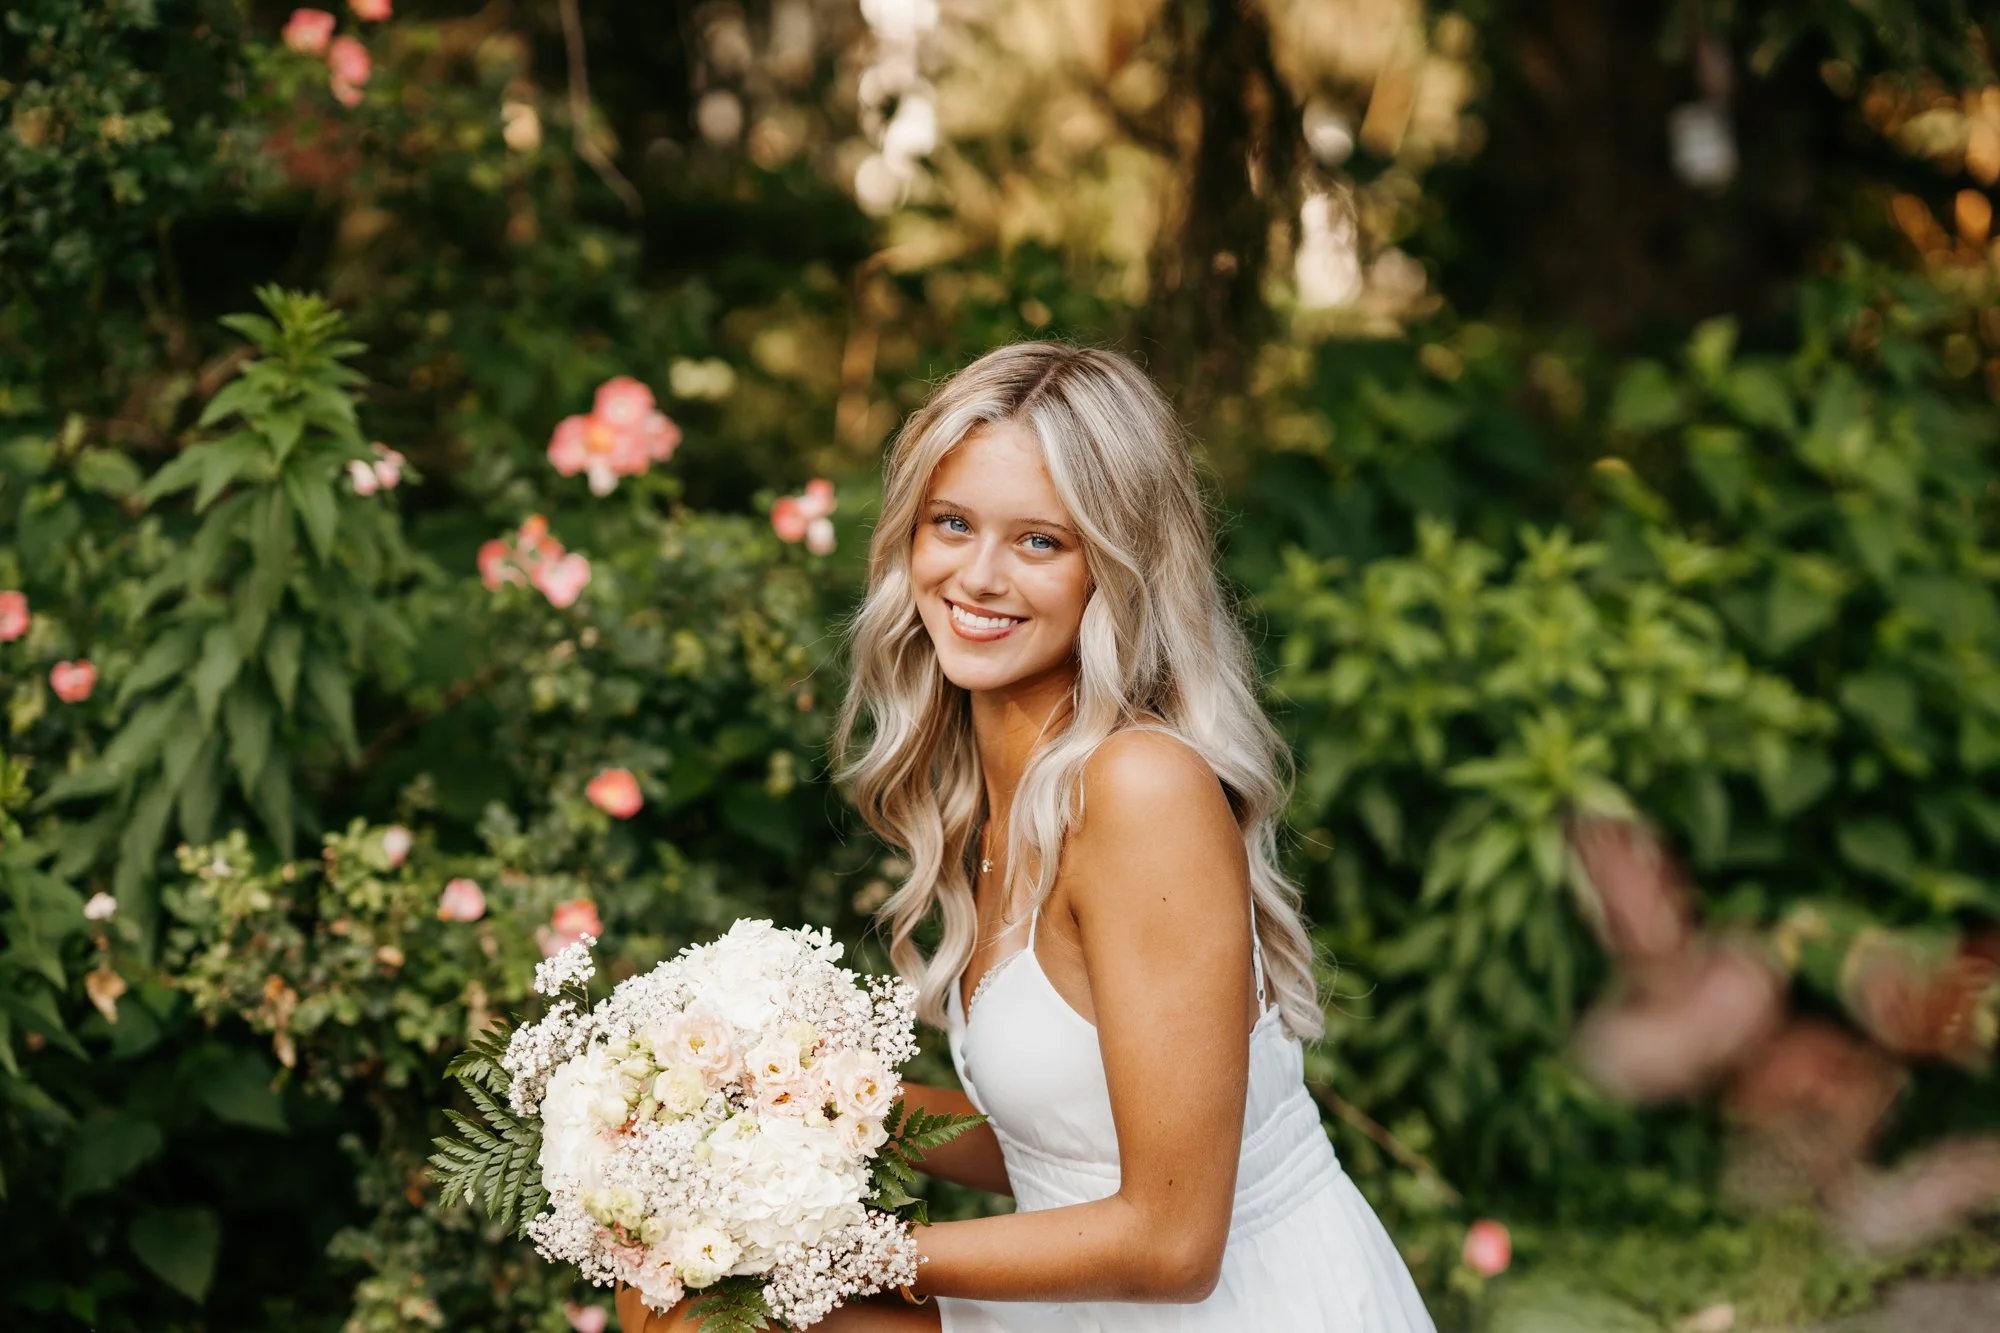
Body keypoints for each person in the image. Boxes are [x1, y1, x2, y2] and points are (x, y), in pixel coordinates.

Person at [618, 343, 1436, 1330]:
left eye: (1039, 541)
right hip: (1084, 1309)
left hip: (1230, 1308)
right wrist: (782, 1094)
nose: (978, 574)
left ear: (1116, 566)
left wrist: (827, 1252)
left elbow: (1174, 1240)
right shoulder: (999, 789)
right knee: (671, 1291)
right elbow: (1060, 1142)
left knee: (707, 1305)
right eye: (951, 523)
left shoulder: (1140, 788)